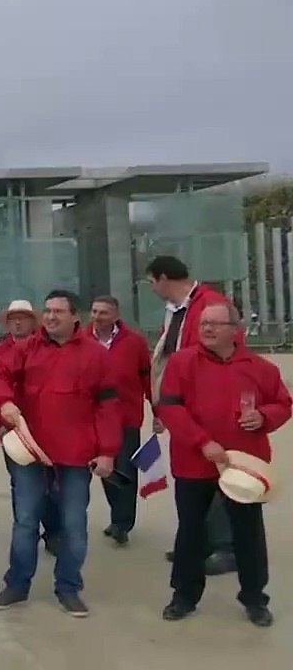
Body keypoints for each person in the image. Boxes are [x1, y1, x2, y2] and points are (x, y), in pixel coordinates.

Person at [0, 290, 121, 618]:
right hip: (30, 453)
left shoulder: (96, 355)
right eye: (47, 311)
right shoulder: (27, 349)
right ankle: (17, 584)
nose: (51, 317)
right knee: (25, 521)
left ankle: (69, 587)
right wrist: (4, 401)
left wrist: (108, 452)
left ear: (76, 317)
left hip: (75, 456)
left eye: (59, 311)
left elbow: (109, 407)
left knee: (73, 524)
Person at [157, 302, 285, 628]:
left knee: (248, 534)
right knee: (191, 532)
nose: (208, 329)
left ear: (235, 329)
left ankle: (255, 599)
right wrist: (203, 442)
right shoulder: (183, 363)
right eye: (203, 324)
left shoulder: (260, 368)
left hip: (244, 466)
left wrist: (265, 417)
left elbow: (283, 403)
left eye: (215, 324)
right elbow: (171, 408)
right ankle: (184, 596)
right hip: (194, 463)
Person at [146, 255, 238, 576]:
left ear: (161, 278)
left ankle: (226, 548)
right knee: (191, 479)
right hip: (182, 407)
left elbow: (226, 354)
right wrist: (163, 407)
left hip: (209, 407)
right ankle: (196, 542)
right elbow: (167, 360)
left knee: (217, 478)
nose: (151, 288)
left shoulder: (210, 306)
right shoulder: (178, 311)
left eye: (151, 282)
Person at [0, 300, 62, 556]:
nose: (18, 322)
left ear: (34, 321)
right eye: (13, 319)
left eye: (23, 318)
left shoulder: (47, 349)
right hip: (15, 432)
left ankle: (54, 532)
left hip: (49, 429)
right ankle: (26, 533)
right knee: (22, 485)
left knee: (53, 486)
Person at [87, 295, 152, 546]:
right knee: (105, 470)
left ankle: (123, 522)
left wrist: (157, 411)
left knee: (125, 469)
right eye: (94, 311)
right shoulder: (81, 339)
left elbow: (146, 377)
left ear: (115, 316)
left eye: (103, 312)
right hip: (93, 418)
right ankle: (117, 516)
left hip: (126, 417)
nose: (97, 317)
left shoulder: (134, 342)